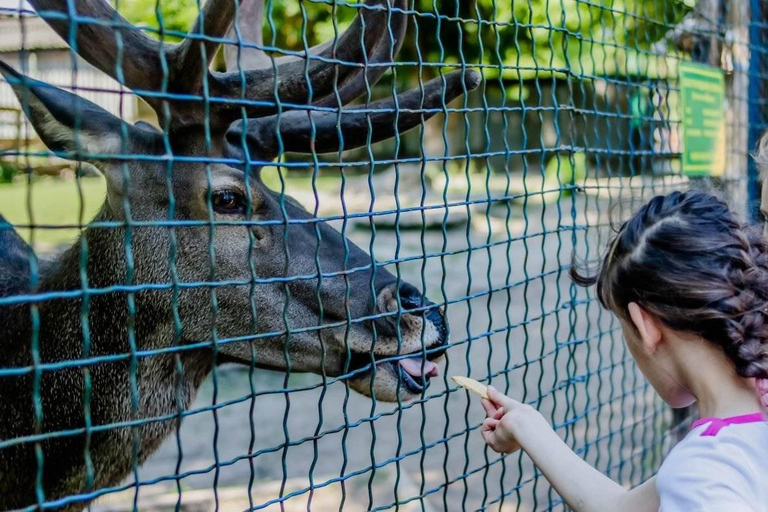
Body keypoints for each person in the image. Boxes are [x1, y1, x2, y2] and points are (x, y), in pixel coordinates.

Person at [480, 191, 768, 511]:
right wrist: (524, 425)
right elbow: (622, 508)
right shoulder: (739, 429)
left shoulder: (701, 474)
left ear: (644, 325)